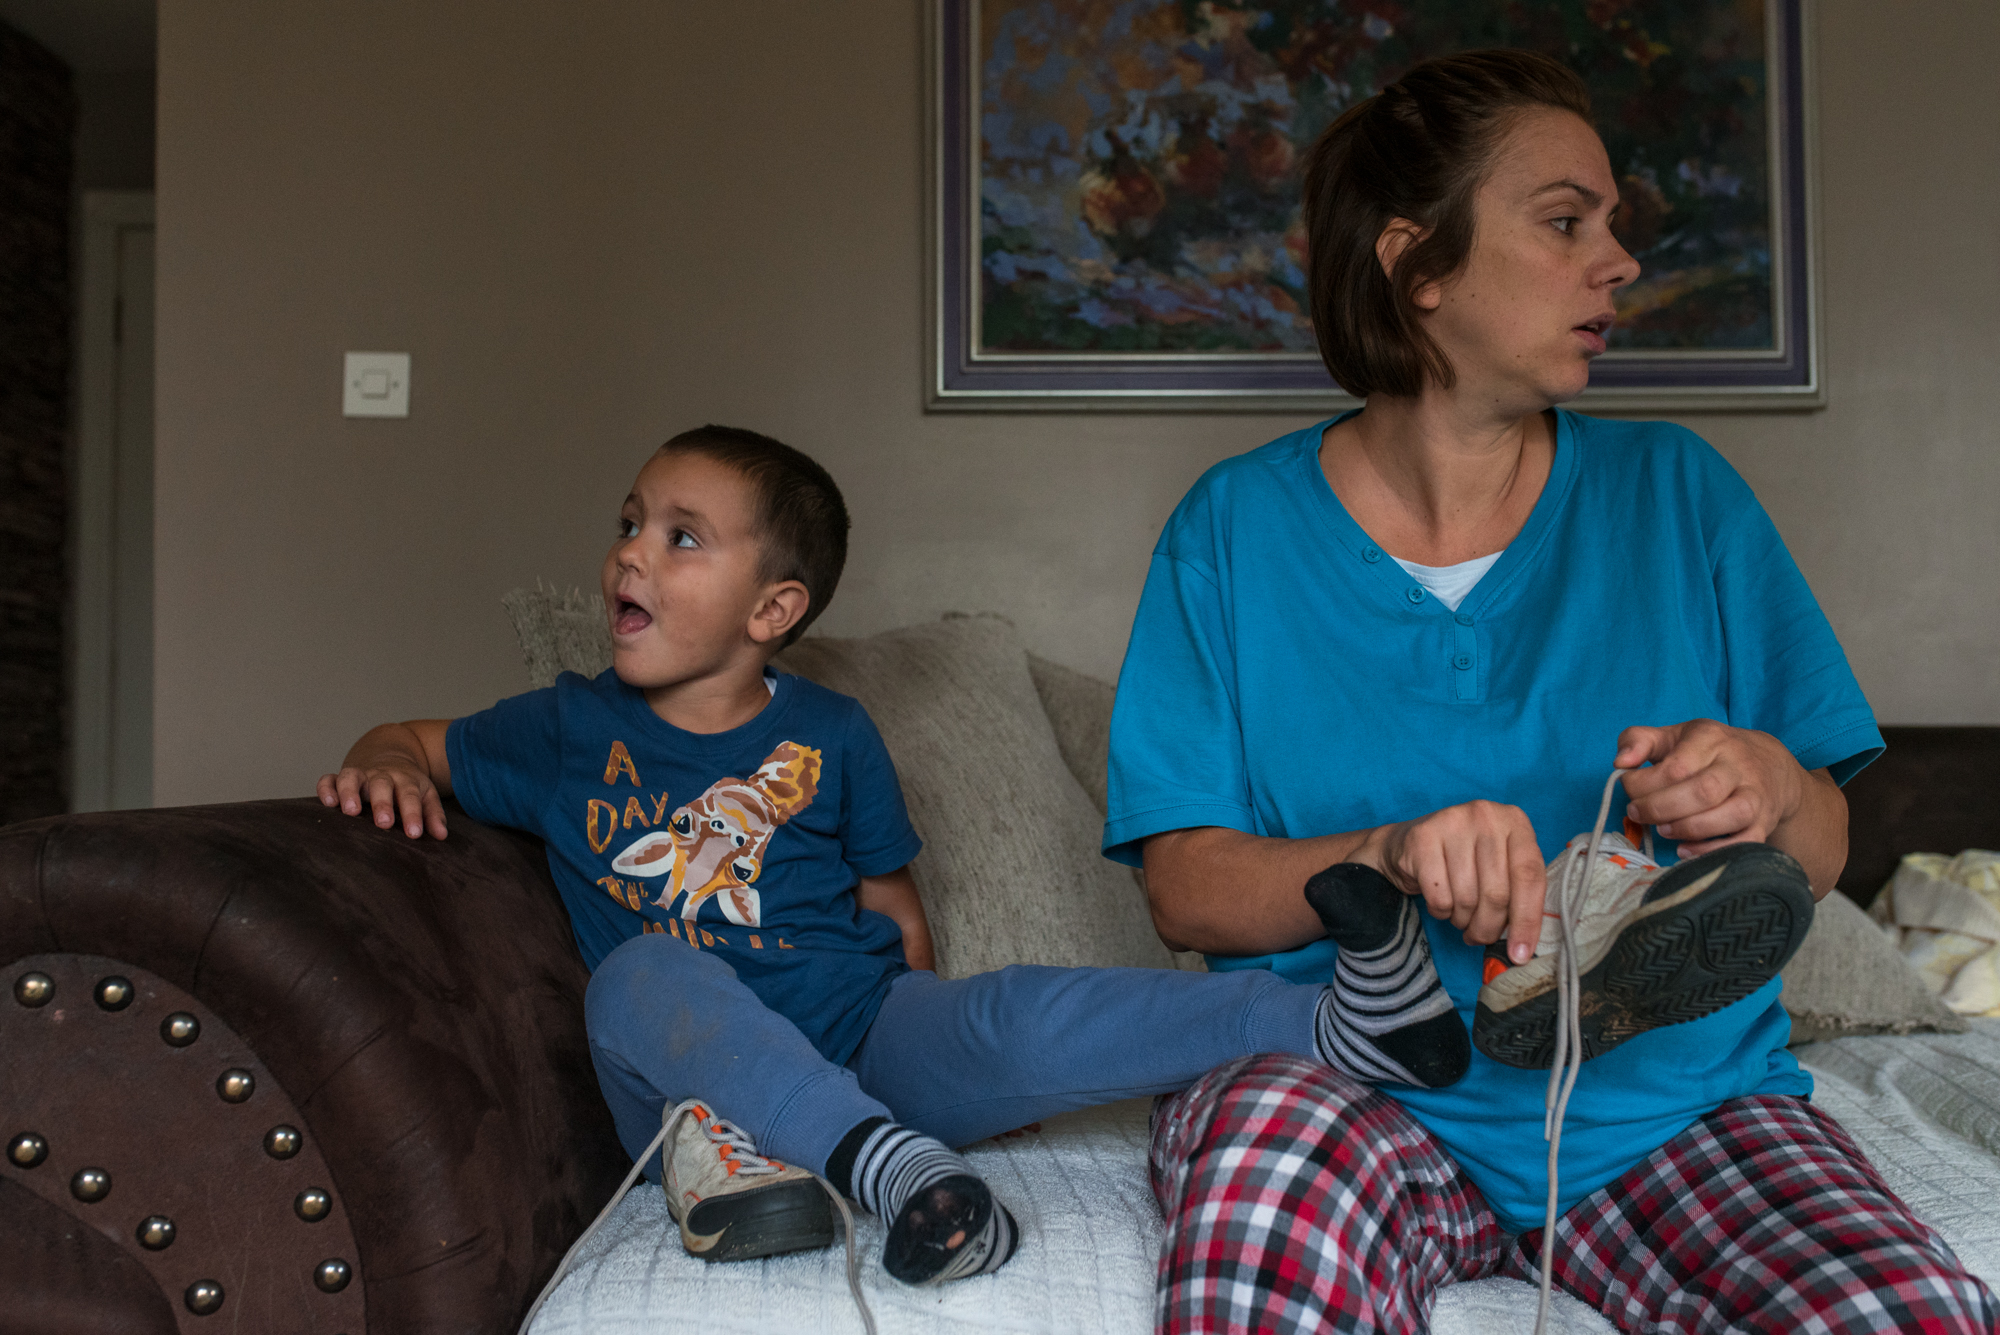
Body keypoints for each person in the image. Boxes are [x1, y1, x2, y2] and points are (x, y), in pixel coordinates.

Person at [1105, 49, 1999, 1334]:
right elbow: (1184, 888)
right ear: (1415, 262)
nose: (1618, 261)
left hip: (1669, 1112)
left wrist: (1769, 787)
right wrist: (1384, 853)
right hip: (1349, 1089)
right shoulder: (1231, 528)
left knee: (1903, 1315)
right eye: (1566, 221)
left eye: (1613, 224)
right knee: (1260, 1205)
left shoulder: (1678, 495)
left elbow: (1819, 850)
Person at [317, 424, 1526, 1288]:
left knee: (1016, 1015)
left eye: (681, 538)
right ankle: (891, 1171)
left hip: (860, 1031)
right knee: (640, 973)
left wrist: (955, 1050)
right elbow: (414, 741)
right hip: (698, 1091)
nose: (632, 553)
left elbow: (890, 908)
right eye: (629, 523)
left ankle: (1335, 1027)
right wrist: (381, 761)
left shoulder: (831, 733)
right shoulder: (566, 728)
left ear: (772, 610)